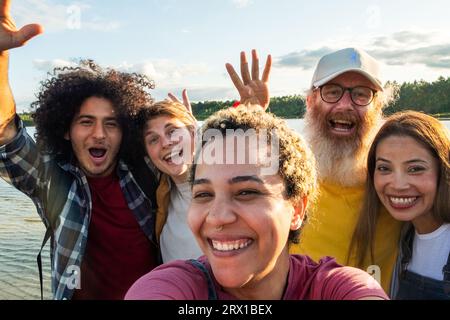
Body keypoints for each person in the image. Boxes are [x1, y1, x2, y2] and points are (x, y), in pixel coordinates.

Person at [125, 105, 388, 300]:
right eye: (203, 195)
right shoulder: (176, 286)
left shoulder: (335, 288)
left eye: (246, 193)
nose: (217, 217)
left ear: (296, 208)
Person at [0, 0, 163, 299]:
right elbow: (6, 135)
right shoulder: (53, 183)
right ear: (65, 129)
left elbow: (215, 176)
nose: (99, 134)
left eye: (111, 124)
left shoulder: (148, 173)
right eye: (86, 122)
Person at [226, 48, 403, 292]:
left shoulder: (397, 182)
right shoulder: (286, 172)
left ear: (378, 107)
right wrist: (248, 121)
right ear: (310, 101)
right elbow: (226, 178)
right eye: (332, 92)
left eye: (361, 95)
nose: (345, 105)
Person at [350, 111, 450, 299]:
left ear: (443, 171)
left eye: (415, 169)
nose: (398, 185)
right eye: (384, 168)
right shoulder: (403, 241)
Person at [133, 96, 203, 263]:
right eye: (153, 139)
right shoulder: (160, 197)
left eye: (172, 131)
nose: (165, 143)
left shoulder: (227, 184)